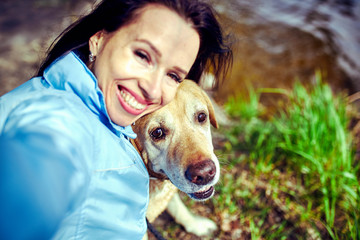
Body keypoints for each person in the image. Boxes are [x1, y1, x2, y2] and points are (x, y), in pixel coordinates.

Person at [0, 0, 232, 239]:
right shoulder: (59, 117)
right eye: (142, 55)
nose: (153, 90)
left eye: (173, 74)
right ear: (99, 40)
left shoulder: (121, 114)